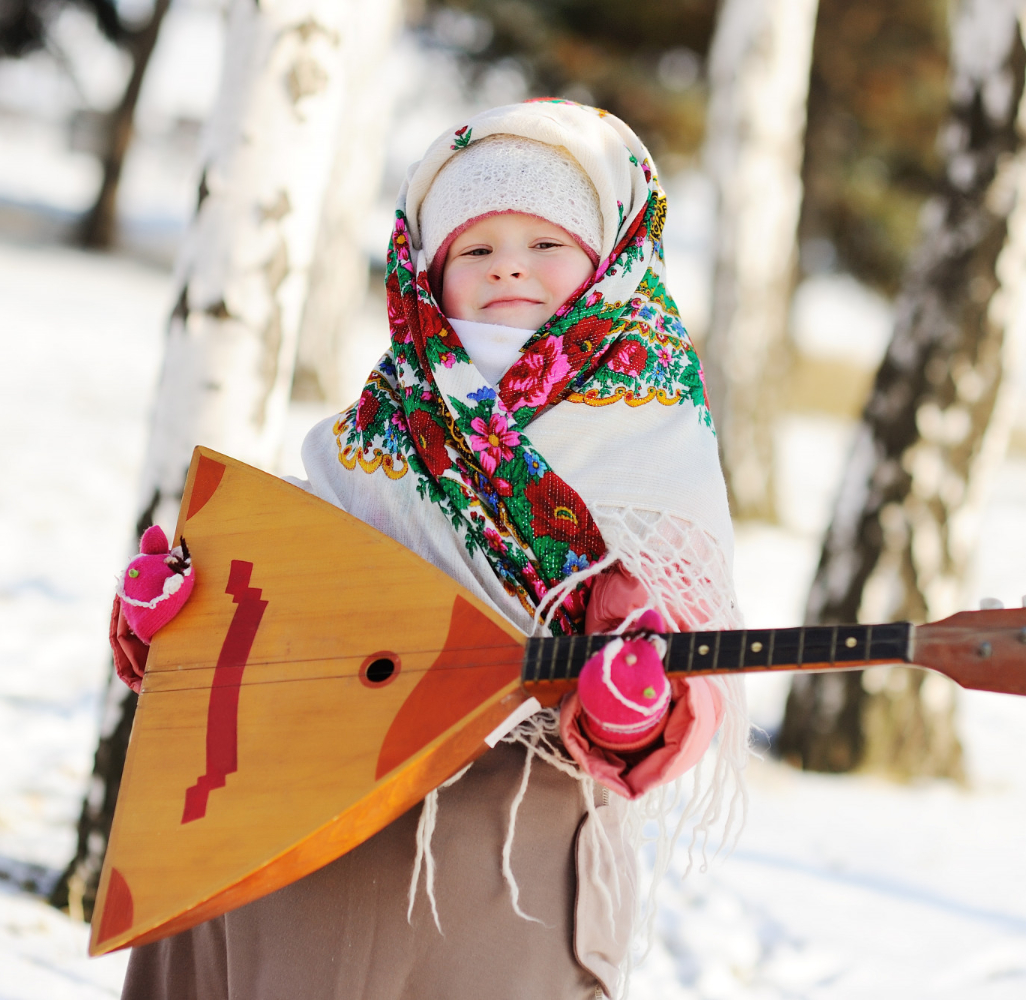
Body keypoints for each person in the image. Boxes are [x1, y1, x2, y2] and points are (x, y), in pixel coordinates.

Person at [111, 99, 749, 1000]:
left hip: (505, 855)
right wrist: (185, 615)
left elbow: (680, 637)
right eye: (475, 249)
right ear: (425, 275)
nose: (509, 267)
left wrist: (639, 707)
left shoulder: (648, 441)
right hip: (295, 831)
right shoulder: (378, 428)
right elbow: (281, 598)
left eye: (546, 242)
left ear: (612, 261)